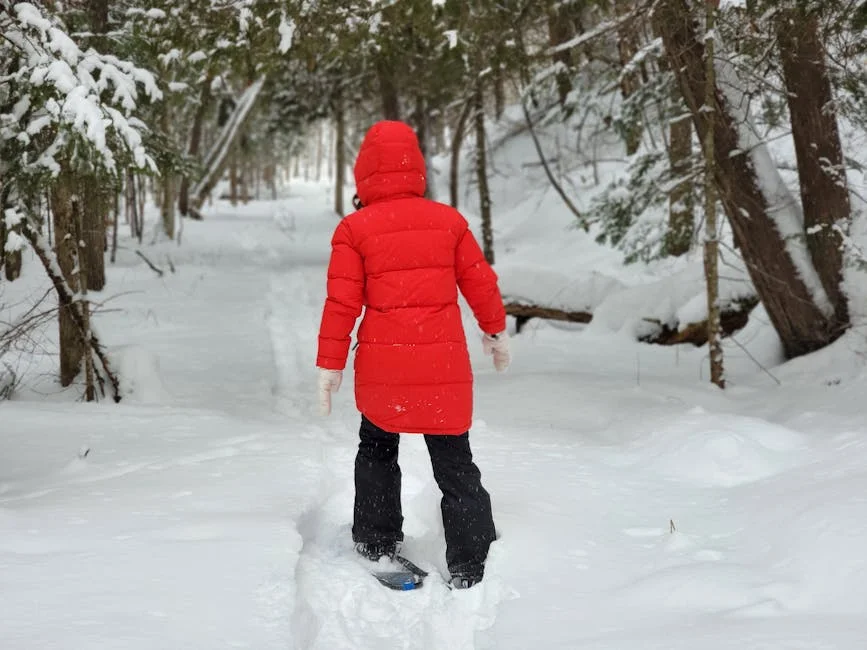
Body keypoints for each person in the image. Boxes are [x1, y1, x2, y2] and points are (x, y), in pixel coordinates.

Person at [315, 120, 511, 589]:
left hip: (385, 367)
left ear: (364, 173)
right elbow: (480, 282)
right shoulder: (449, 222)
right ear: (416, 170)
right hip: (442, 366)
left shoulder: (354, 229)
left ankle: (376, 541)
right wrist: (495, 331)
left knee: (378, 449)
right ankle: (471, 559)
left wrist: (330, 364)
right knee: (455, 460)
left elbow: (342, 303)